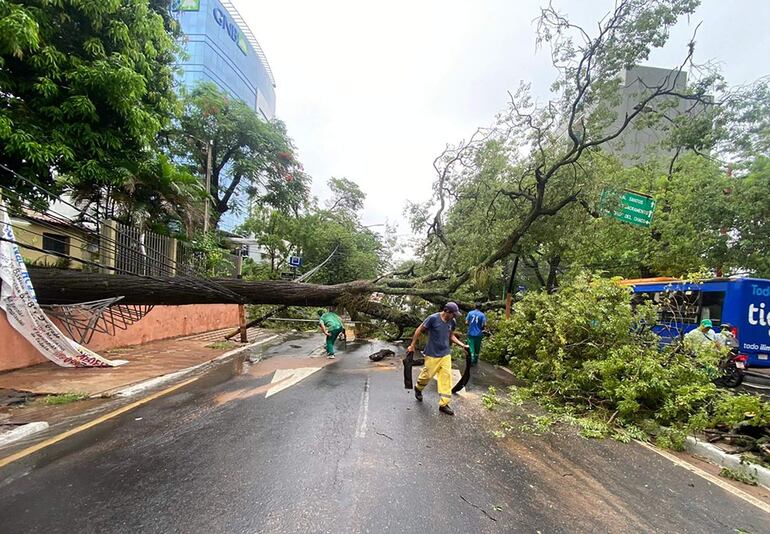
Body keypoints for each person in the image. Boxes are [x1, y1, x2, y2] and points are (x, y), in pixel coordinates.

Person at [407, 302, 469, 416]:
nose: (455, 316)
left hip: (445, 353)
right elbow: (419, 330)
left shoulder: (452, 321)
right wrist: (412, 345)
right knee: (427, 375)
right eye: (453, 314)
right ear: (447, 311)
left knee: (446, 376)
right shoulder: (433, 319)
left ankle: (444, 404)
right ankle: (418, 388)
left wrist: (462, 345)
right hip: (432, 354)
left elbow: (451, 336)